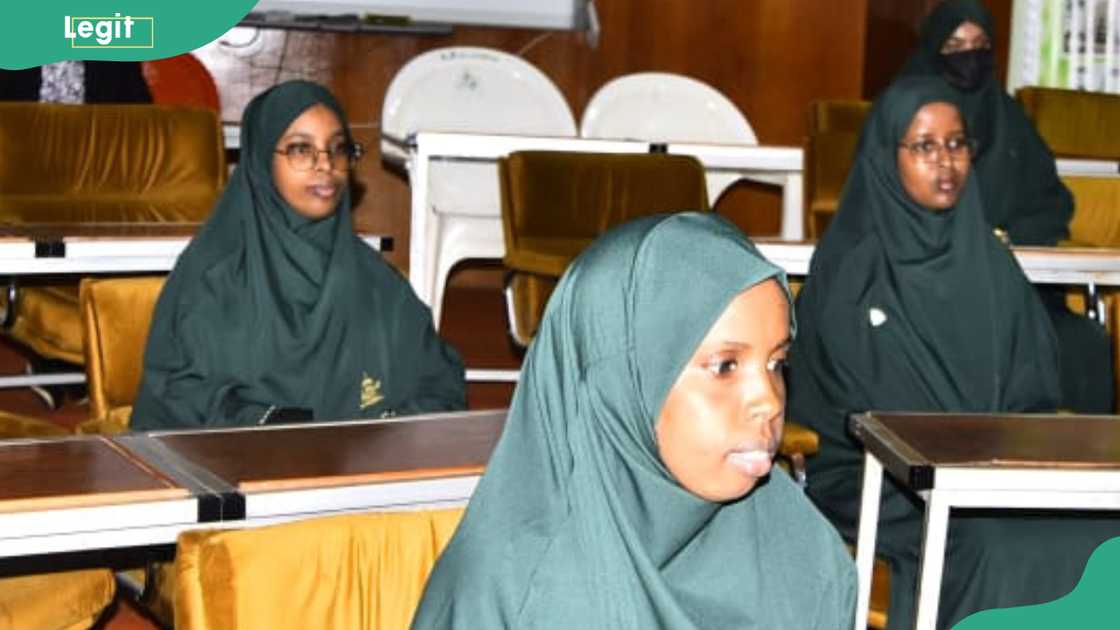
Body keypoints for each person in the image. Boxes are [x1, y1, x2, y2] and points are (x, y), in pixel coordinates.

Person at [413, 212, 856, 629]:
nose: (769, 401)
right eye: (725, 367)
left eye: (777, 362)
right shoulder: (511, 596)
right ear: (619, 384)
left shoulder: (804, 552)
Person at [788, 76, 1120, 630]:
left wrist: (1004, 449)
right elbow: (858, 406)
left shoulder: (988, 259)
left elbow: (1033, 387)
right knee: (993, 542)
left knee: (1098, 528)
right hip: (878, 476)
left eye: (957, 143)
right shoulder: (852, 267)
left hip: (994, 470)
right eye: (924, 145)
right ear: (885, 155)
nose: (945, 161)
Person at [130, 80, 465, 430]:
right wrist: (274, 427)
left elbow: (439, 383)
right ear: (262, 160)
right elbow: (180, 397)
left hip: (360, 475)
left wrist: (382, 431)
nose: (326, 165)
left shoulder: (377, 283)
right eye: (301, 149)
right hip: (232, 472)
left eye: (338, 149)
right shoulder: (213, 280)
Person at [897, 0, 1113, 413]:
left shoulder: (1007, 118)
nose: (969, 56)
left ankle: (1079, 472)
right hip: (926, 288)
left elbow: (1051, 203)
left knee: (1083, 343)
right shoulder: (905, 118)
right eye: (955, 45)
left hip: (1018, 286)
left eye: (980, 45)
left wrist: (1009, 238)